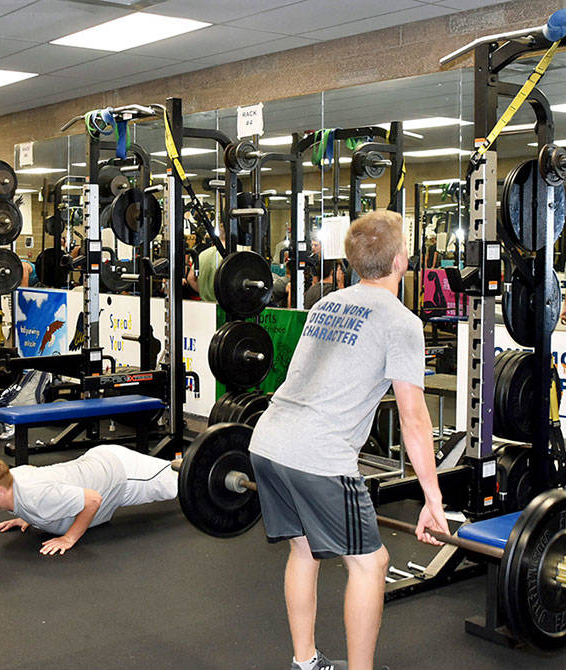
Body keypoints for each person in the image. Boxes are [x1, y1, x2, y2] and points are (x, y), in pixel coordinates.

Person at [247, 209, 446, 670]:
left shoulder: (325, 303)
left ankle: (305, 661)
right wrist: (432, 499)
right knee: (370, 564)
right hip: (319, 455)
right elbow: (414, 419)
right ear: (400, 260)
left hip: (268, 440)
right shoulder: (401, 322)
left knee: (304, 548)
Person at [0, 445, 178, 556]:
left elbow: (93, 500)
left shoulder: (37, 497)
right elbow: (33, 472)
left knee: (181, 483)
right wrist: (25, 516)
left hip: (121, 473)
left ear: (1, 491)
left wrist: (69, 539)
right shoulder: (14, 481)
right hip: (95, 461)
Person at [187, 225, 224, 302]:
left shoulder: (203, 254)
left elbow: (190, 278)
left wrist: (205, 293)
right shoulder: (238, 255)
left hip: (206, 305)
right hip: (227, 308)